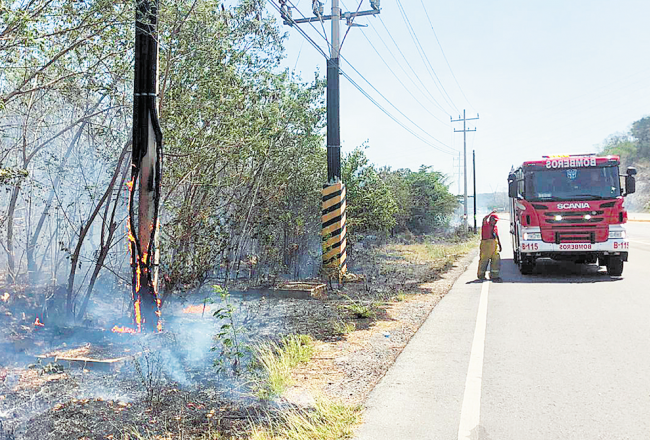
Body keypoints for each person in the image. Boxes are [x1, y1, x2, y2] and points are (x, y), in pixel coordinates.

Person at [477, 212, 502, 282]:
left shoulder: (495, 227)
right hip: (486, 245)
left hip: (494, 244)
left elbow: (497, 236)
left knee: (496, 260)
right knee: (484, 260)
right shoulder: (486, 225)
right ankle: (481, 275)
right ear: (491, 219)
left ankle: (494, 276)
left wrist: (500, 245)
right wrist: (490, 213)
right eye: (495, 220)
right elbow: (484, 219)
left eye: (496, 221)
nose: (496, 222)